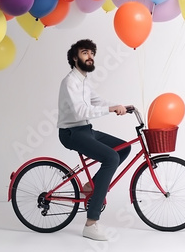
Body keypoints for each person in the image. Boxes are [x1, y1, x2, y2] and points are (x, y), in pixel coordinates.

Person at [57, 39, 131, 241]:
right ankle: (91, 223)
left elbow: (96, 100)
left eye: (92, 53)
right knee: (111, 158)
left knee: (123, 149)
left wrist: (120, 105)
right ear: (75, 58)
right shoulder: (70, 82)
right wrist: (110, 109)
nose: (90, 57)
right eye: (84, 53)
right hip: (72, 133)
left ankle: (91, 186)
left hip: (85, 129)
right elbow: (81, 110)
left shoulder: (83, 80)